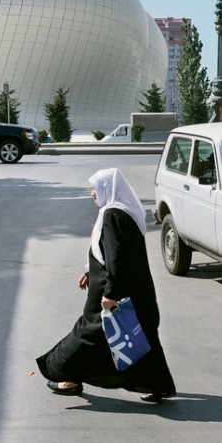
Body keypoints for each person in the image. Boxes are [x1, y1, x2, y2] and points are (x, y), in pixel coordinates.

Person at [36, 168, 176, 403]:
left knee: (87, 334)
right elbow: (109, 252)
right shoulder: (124, 212)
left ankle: (66, 376)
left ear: (106, 189)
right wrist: (90, 271)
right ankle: (159, 385)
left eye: (94, 188)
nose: (91, 193)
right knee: (140, 337)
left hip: (112, 290)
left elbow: (116, 257)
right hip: (133, 289)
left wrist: (111, 293)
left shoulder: (112, 215)